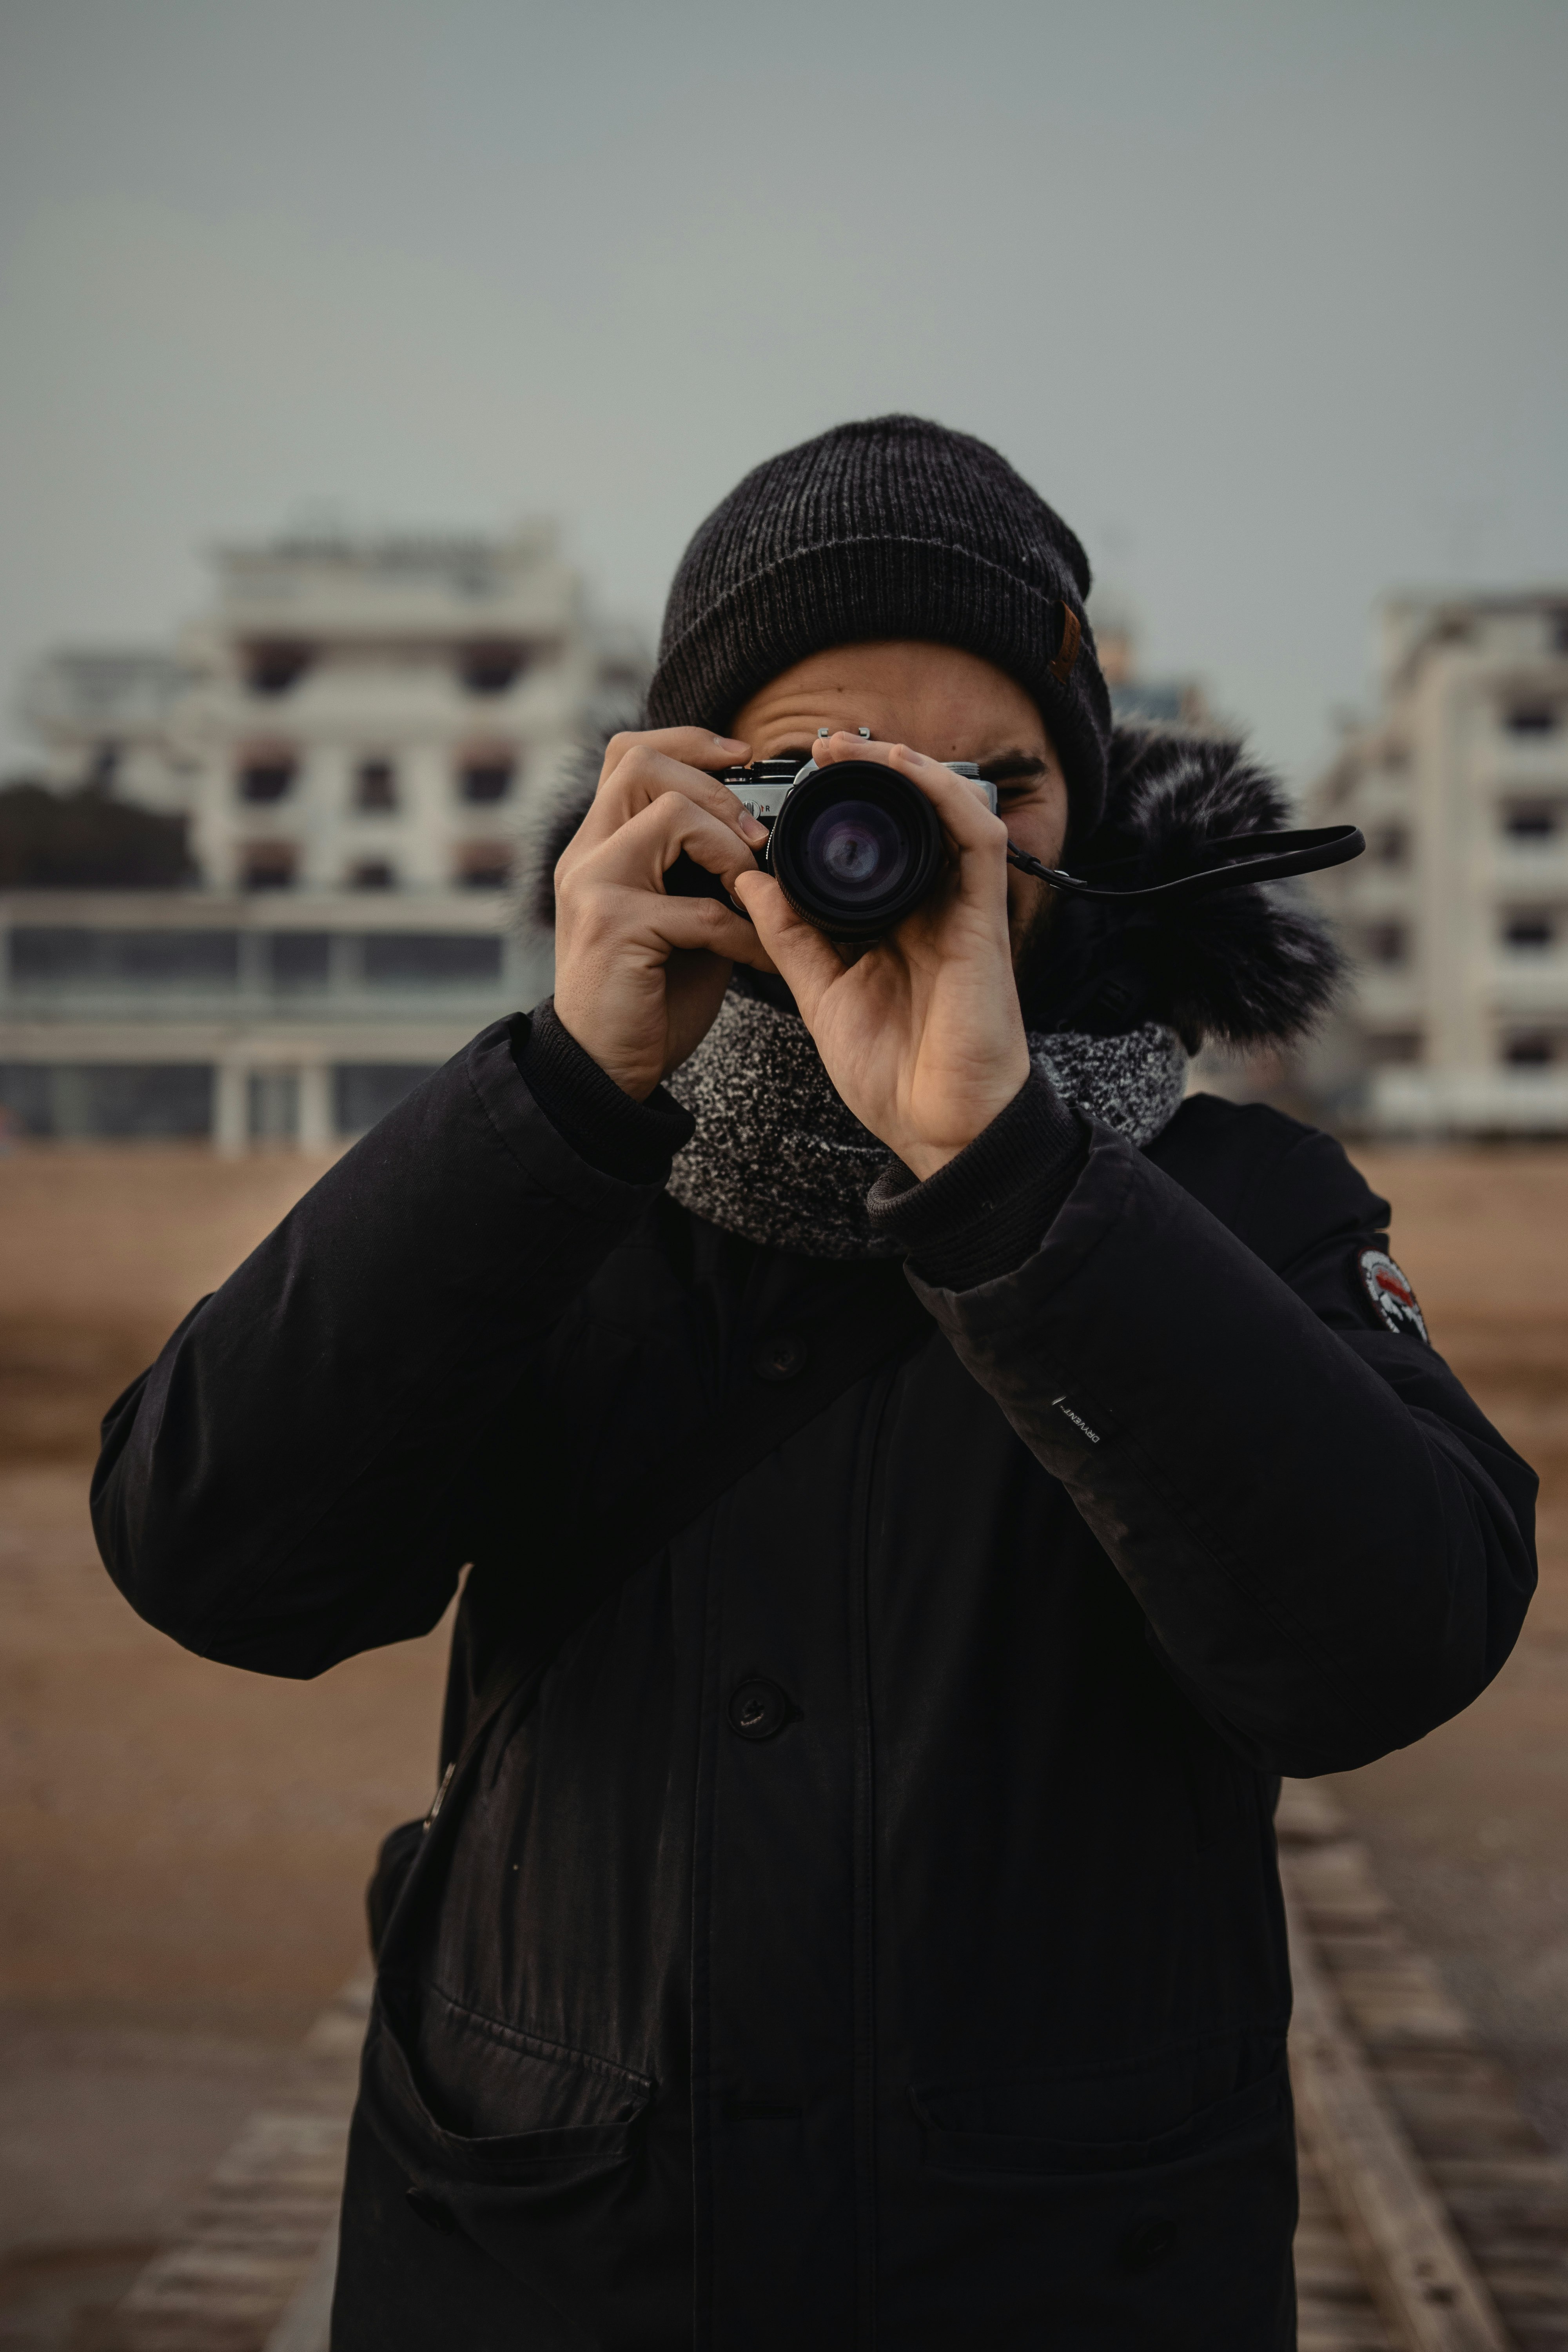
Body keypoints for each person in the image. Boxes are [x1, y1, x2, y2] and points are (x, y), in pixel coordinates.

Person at [93, 417, 1535, 2351]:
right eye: (811, 780)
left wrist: (1004, 1163)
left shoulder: (1229, 1199)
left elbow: (1388, 1642)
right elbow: (212, 1556)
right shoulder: (553, 1178)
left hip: (1057, 2278)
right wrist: (559, 1088)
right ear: (677, 797)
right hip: (553, 2259)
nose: (900, 838)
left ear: (1073, 821)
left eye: (985, 785)